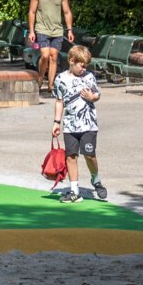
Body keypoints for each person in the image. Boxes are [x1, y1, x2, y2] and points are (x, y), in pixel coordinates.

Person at [52, 43, 107, 202]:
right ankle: (74, 190)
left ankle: (95, 179)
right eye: (81, 65)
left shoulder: (89, 77)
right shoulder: (61, 79)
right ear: (71, 60)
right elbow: (59, 101)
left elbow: (97, 94)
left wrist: (92, 97)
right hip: (70, 125)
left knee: (89, 155)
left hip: (88, 124)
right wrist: (56, 122)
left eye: (86, 66)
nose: (84, 69)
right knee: (71, 156)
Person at [27, 0, 75, 100]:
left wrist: (69, 29)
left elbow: (67, 12)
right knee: (45, 55)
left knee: (54, 57)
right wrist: (31, 31)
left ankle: (51, 84)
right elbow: (31, 12)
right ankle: (41, 77)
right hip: (42, 29)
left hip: (57, 30)